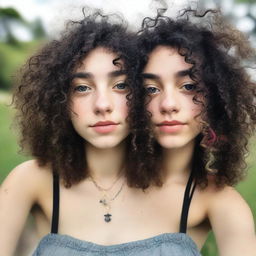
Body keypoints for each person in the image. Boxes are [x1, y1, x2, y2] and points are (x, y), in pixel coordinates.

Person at [135, 8, 256, 256]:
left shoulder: (219, 201)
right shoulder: (86, 179)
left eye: (189, 86)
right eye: (151, 89)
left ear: (216, 100)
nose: (169, 104)